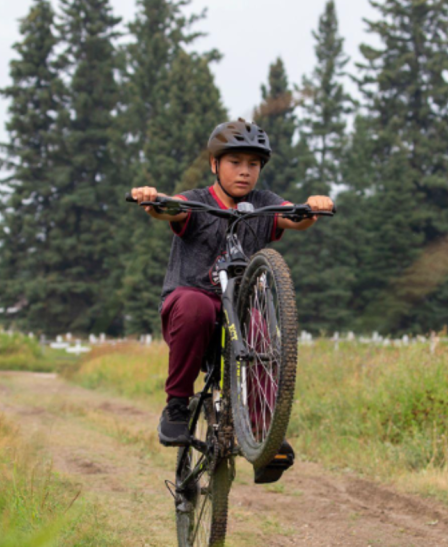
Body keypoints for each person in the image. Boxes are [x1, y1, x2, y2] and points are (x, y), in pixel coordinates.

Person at [130, 118, 334, 483]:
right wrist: (154, 201)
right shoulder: (196, 202)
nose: (244, 172)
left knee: (259, 326)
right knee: (196, 305)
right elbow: (172, 208)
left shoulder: (262, 205)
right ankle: (176, 406)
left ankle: (262, 435)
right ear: (214, 164)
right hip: (194, 309)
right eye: (234, 162)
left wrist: (312, 209)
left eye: (253, 165)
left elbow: (292, 217)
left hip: (237, 318)